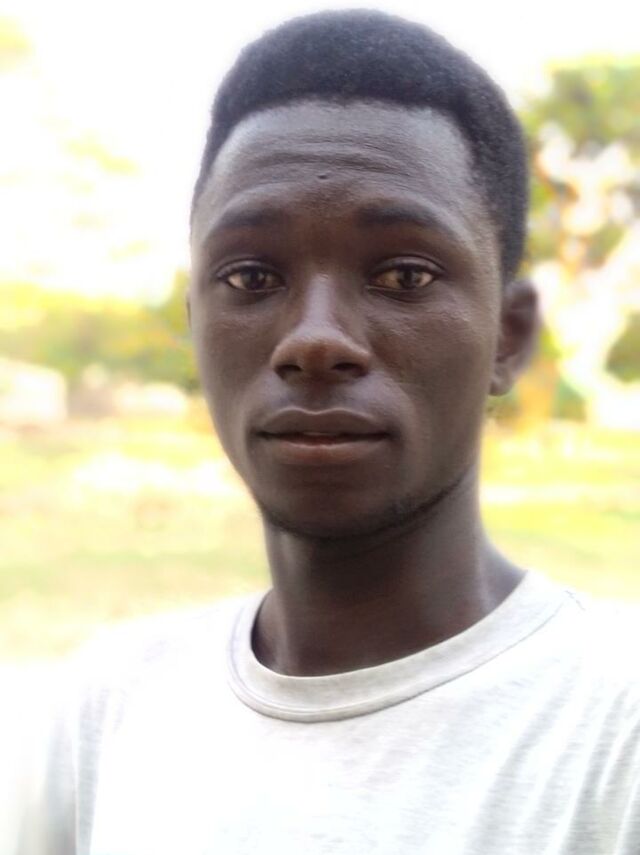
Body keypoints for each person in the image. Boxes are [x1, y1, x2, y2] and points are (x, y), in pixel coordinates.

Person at [7, 9, 640, 854]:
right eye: (251, 276)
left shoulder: (613, 727)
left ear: (509, 335)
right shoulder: (102, 714)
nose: (314, 339)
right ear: (197, 325)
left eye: (404, 274)